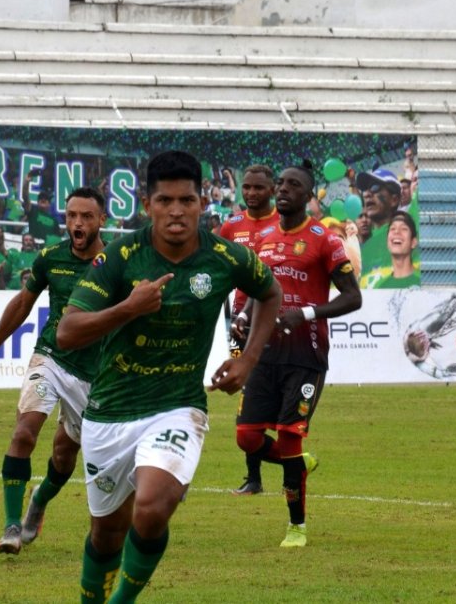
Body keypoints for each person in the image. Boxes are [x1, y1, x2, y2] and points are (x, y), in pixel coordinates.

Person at [58, 150, 282, 603]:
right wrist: (127, 308)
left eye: (187, 200)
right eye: (165, 201)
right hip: (110, 412)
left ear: (203, 203)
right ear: (147, 205)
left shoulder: (225, 256)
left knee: (154, 506)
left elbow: (270, 291)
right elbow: (67, 332)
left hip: (178, 408)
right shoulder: (121, 257)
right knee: (106, 533)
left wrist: (247, 359)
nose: (176, 211)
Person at [0, 187, 108, 555]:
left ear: (101, 220)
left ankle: (39, 501)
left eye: (86, 216)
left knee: (63, 455)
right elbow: (23, 304)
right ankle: (11, 526)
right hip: (51, 359)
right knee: (24, 433)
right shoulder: (50, 259)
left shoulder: (116, 263)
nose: (77, 222)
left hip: (95, 375)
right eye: (72, 215)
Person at [232, 163, 362, 547]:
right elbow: (259, 291)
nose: (284, 190)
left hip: (306, 355)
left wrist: (305, 313)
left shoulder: (325, 240)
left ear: (308, 197)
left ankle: (296, 527)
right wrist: (241, 317)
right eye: (282, 184)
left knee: (289, 439)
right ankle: (299, 465)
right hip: (264, 351)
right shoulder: (265, 237)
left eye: (294, 185)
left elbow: (354, 297)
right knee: (247, 437)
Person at [216, 163, 279, 496]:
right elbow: (212, 258)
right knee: (248, 395)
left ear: (272, 189)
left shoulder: (283, 223)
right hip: (240, 322)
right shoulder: (232, 225)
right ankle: (253, 477)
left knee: (274, 395)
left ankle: (289, 466)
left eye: (259, 187)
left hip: (277, 319)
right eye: (247, 187)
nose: (252, 193)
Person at [355, 168, 404, 278]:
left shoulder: (407, 235)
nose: (367, 194)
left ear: (394, 200)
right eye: (365, 190)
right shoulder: (360, 251)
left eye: (374, 187)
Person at [364, 211, 421, 289]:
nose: (396, 232)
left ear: (413, 242)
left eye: (403, 229)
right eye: (393, 228)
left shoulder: (422, 282)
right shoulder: (381, 287)